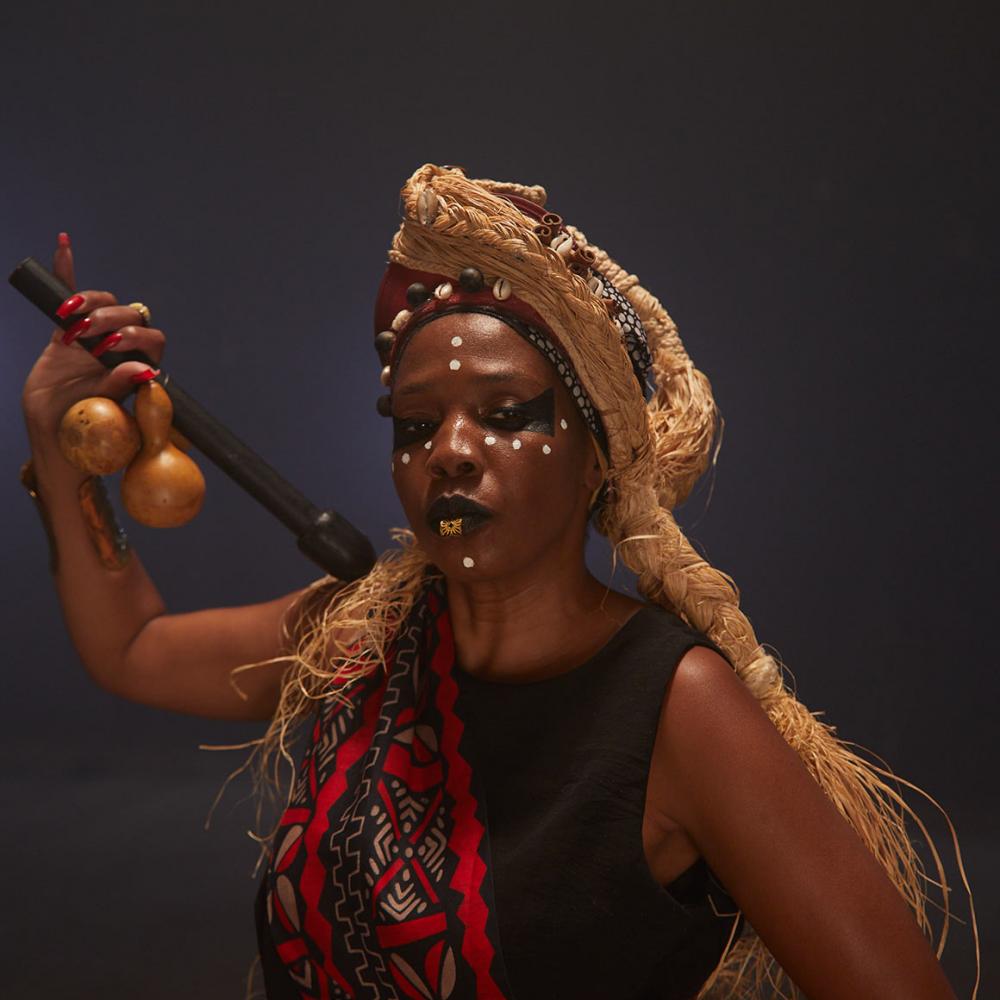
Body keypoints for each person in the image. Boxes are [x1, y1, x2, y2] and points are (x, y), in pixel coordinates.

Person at [20, 164, 970, 999]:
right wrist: (58, 442)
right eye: (416, 425)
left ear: (597, 456)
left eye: (507, 414)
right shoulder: (362, 639)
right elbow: (132, 648)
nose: (452, 453)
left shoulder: (681, 711)